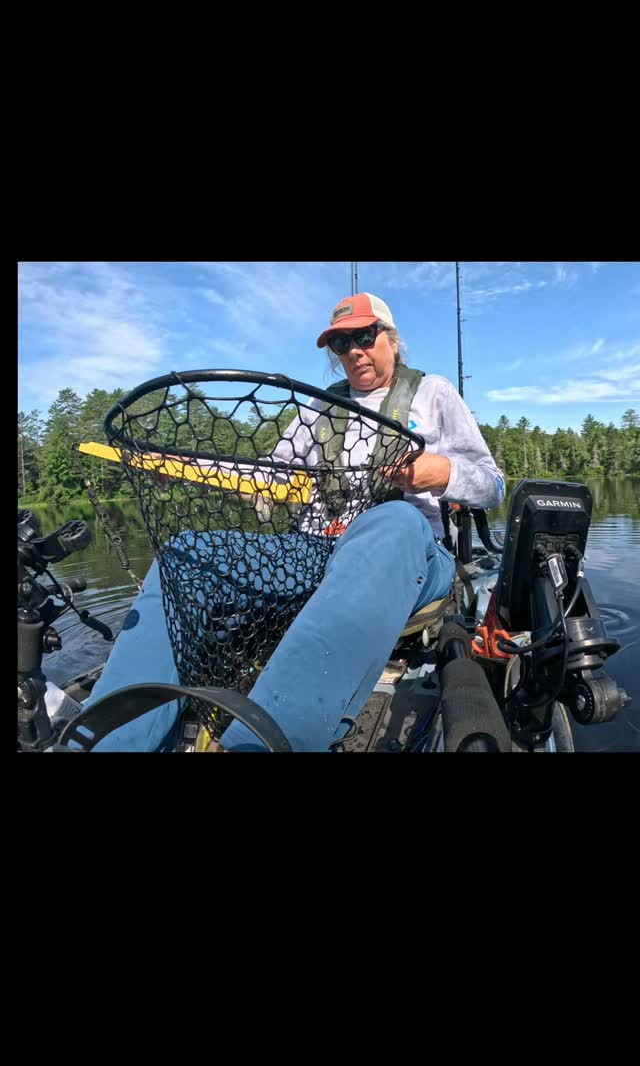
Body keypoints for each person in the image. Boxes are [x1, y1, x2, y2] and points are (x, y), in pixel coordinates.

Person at [84, 292, 505, 751]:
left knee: (393, 521)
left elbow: (493, 484)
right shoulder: (319, 408)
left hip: (412, 555)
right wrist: (206, 472)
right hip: (318, 552)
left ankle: (259, 745)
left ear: (392, 339)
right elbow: (271, 474)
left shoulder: (433, 392)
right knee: (183, 555)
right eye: (341, 344)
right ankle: (109, 741)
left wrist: (442, 472)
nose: (354, 351)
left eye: (365, 336)